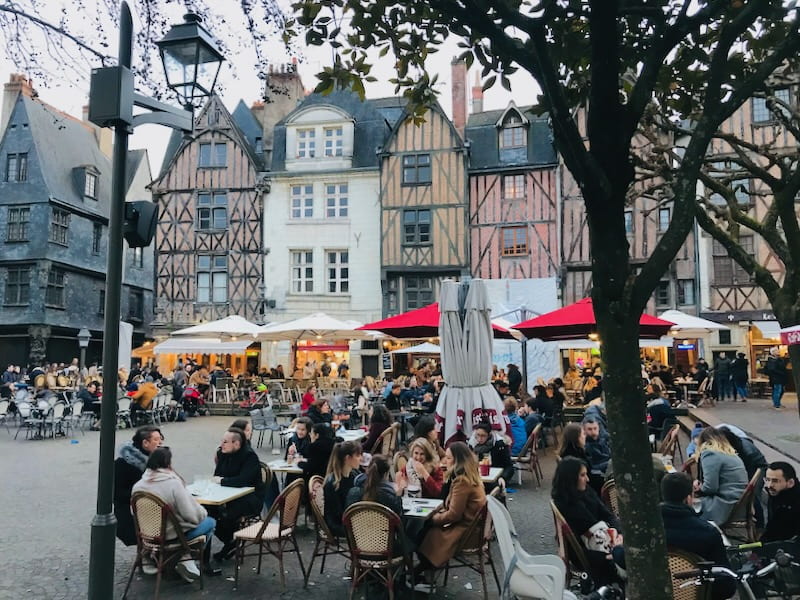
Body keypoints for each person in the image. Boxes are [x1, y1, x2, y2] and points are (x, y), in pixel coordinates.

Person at [132, 447, 217, 582]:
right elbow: (192, 516)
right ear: (168, 463)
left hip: (148, 536)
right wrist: (202, 512)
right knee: (211, 522)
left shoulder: (138, 486)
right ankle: (185, 557)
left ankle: (180, 558)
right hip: (173, 536)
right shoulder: (172, 483)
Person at [416, 442, 487, 587]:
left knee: (422, 531)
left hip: (465, 533)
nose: (444, 461)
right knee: (424, 529)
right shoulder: (469, 476)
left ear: (457, 461)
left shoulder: (462, 481)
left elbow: (454, 514)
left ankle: (424, 570)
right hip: (472, 528)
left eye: (448, 458)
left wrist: (433, 519)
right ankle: (425, 570)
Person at [660, 473, 737, 600]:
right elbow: (726, 586)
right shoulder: (708, 533)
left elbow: (624, 558)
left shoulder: (645, 529)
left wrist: (618, 547)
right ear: (688, 499)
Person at [552, 456, 625, 588]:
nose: (587, 479)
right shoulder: (564, 506)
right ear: (571, 479)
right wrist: (606, 556)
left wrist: (619, 533)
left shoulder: (587, 491)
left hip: (606, 540)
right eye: (583, 475)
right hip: (592, 554)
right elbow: (575, 549)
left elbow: (607, 515)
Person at [209, 427, 266, 561]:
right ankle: (230, 541)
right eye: (221, 441)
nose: (221, 444)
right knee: (207, 511)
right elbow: (217, 475)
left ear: (237, 444)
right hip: (227, 494)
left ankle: (231, 541)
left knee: (227, 515)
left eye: (225, 442)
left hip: (250, 498)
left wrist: (223, 481)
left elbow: (243, 480)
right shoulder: (222, 453)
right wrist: (221, 481)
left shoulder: (249, 456)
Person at [114, 426, 164, 546]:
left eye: (161, 439)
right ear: (145, 443)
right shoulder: (123, 464)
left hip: (150, 508)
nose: (160, 443)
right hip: (132, 515)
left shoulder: (155, 459)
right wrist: (146, 495)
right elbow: (117, 494)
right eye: (156, 440)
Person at [693, 427, 748, 524]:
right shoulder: (730, 453)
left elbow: (710, 487)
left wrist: (698, 487)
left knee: (684, 505)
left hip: (724, 504)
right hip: (739, 503)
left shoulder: (709, 453)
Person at [323, 441, 363, 537]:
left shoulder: (355, 474)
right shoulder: (332, 483)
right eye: (357, 455)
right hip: (338, 524)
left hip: (352, 518)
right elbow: (337, 513)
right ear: (347, 458)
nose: (360, 458)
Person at [761, 461, 800, 542]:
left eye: (775, 481)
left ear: (790, 483)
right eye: (767, 480)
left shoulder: (795, 503)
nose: (769, 485)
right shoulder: (776, 493)